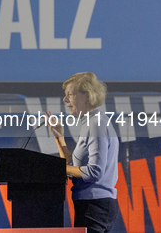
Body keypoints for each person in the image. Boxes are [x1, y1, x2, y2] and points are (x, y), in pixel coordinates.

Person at [45, 72, 119, 233]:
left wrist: (54, 169)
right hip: (92, 206)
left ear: (87, 96)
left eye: (70, 95)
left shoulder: (96, 124)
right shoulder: (92, 122)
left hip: (94, 207)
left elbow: (94, 172)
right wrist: (59, 139)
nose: (65, 100)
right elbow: (74, 168)